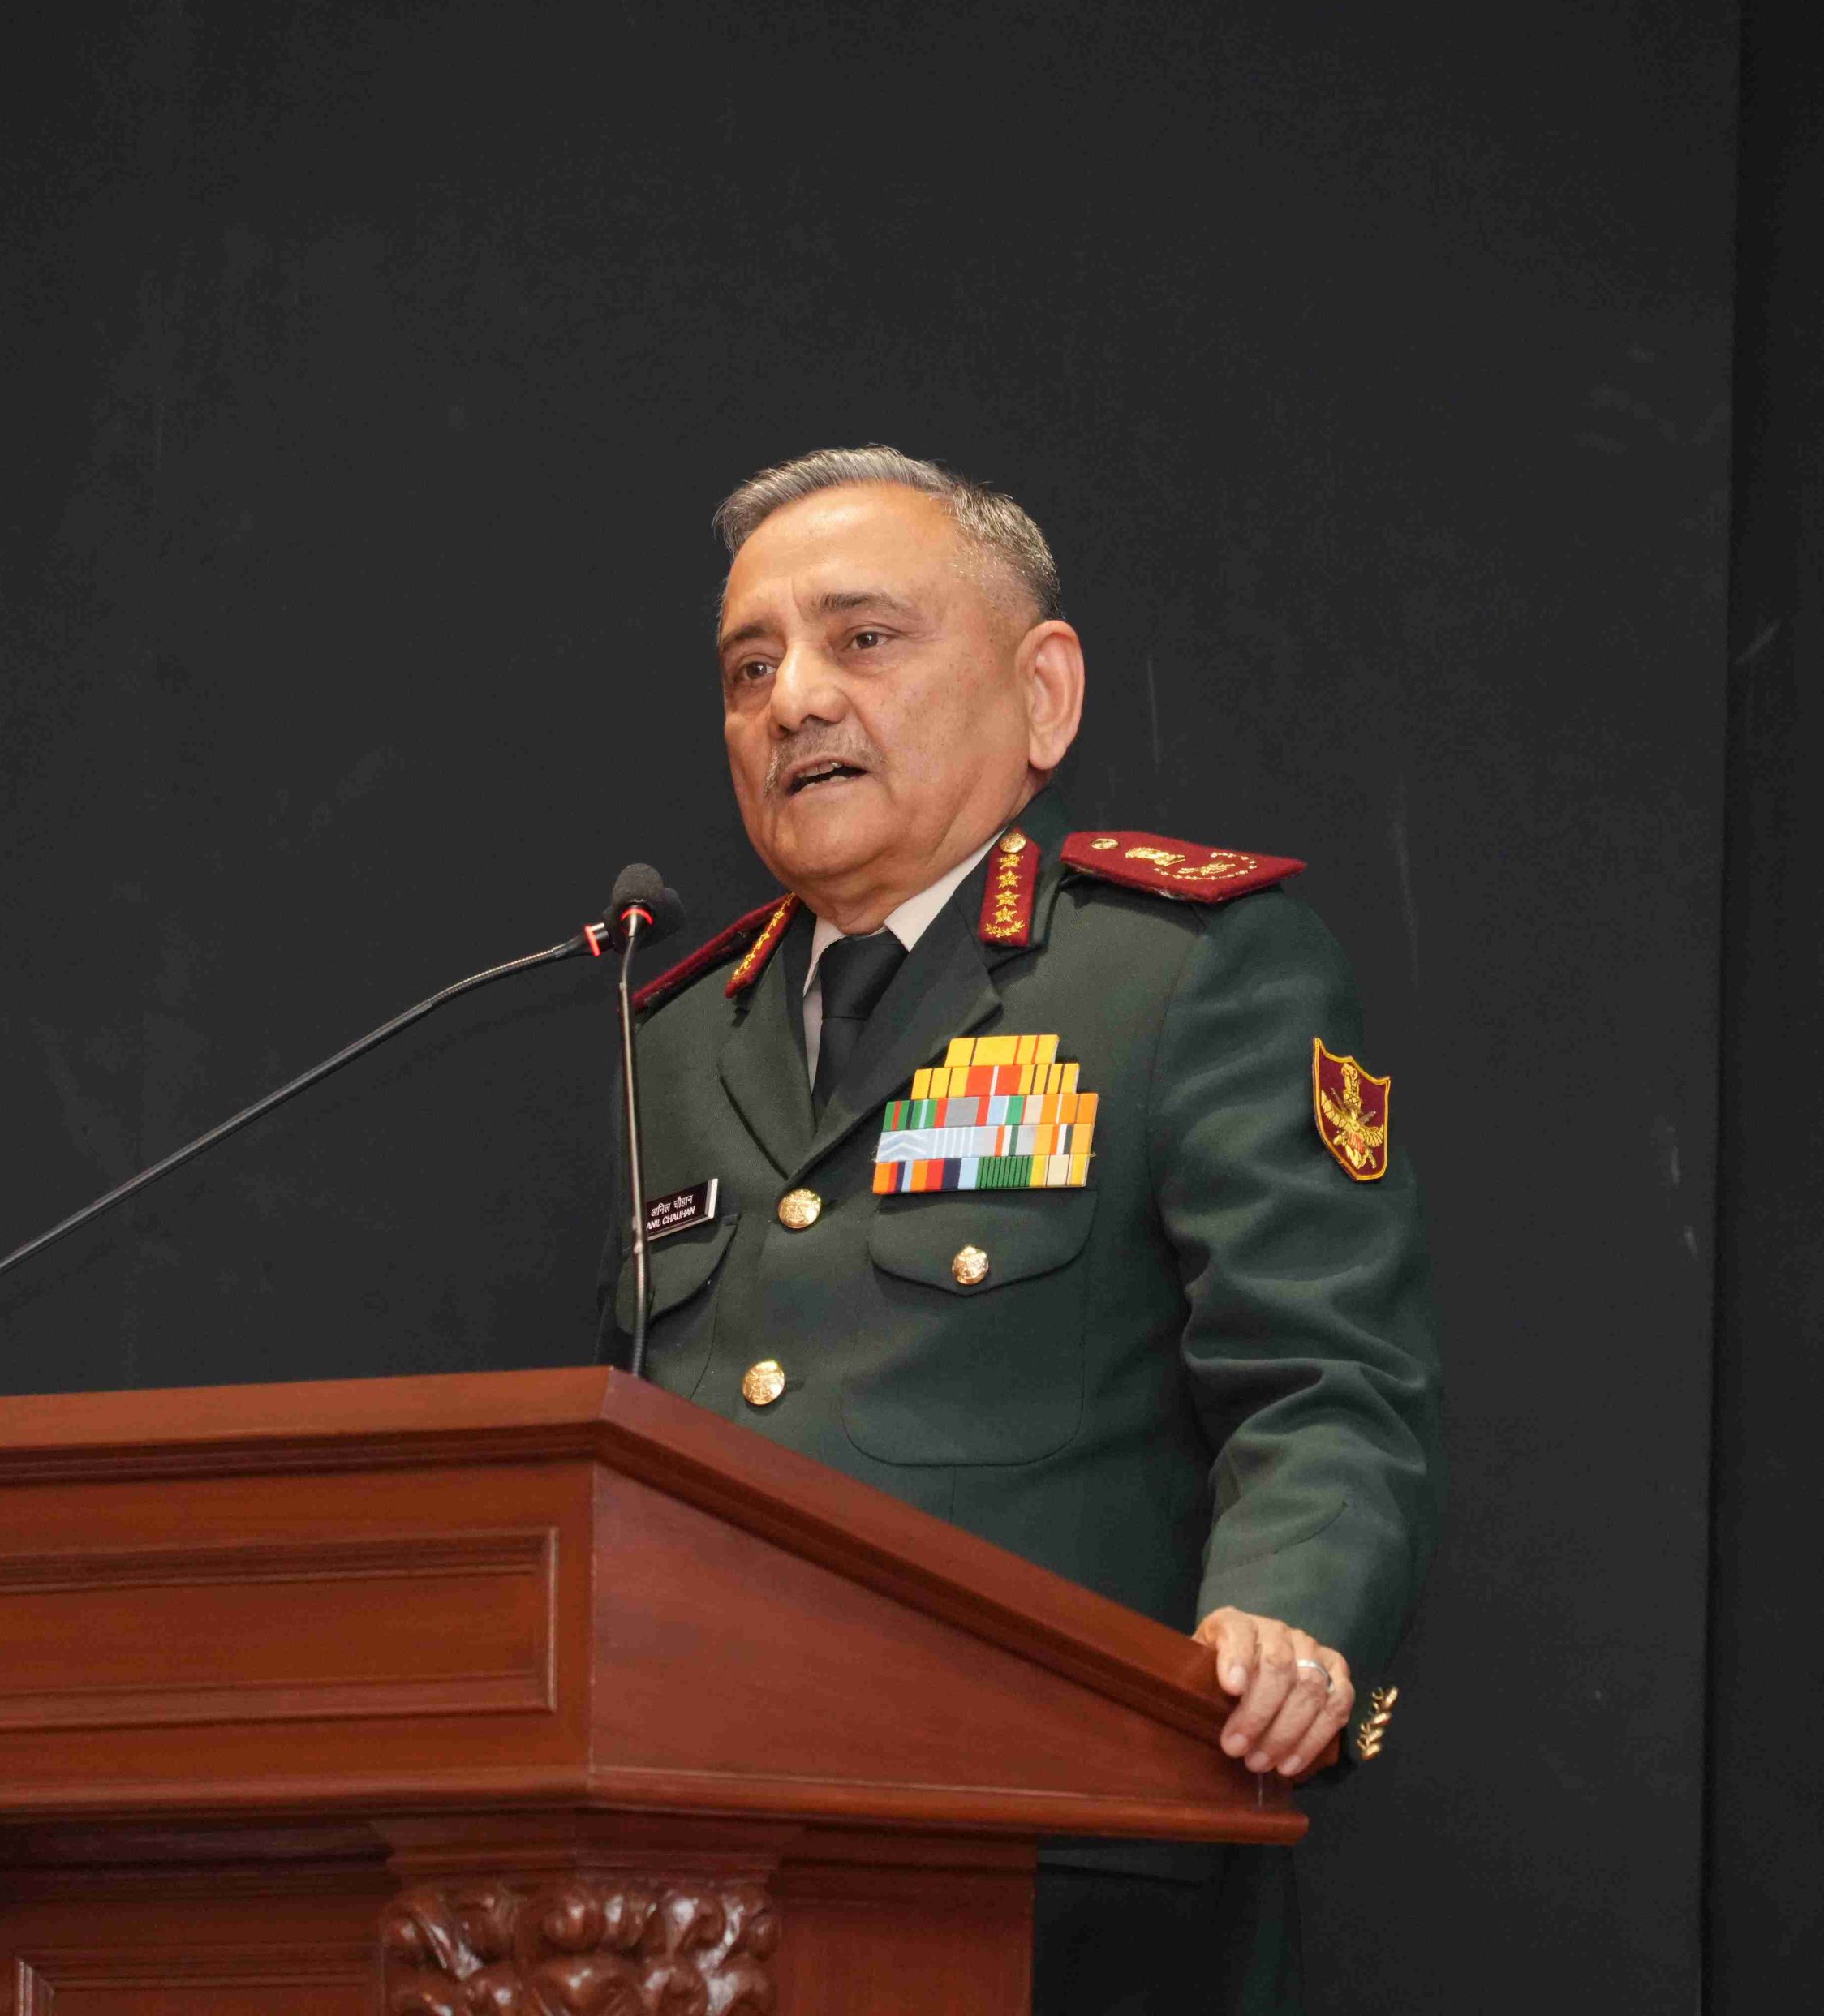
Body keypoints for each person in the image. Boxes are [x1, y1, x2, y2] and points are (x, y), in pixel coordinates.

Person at [596, 445, 1443, 2014]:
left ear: (1042, 694)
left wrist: (1288, 1613)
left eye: (863, 639)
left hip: (1060, 1868)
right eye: (749, 667)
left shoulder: (1179, 971)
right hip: (698, 1868)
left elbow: (1324, 1380)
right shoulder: (677, 1034)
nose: (794, 701)